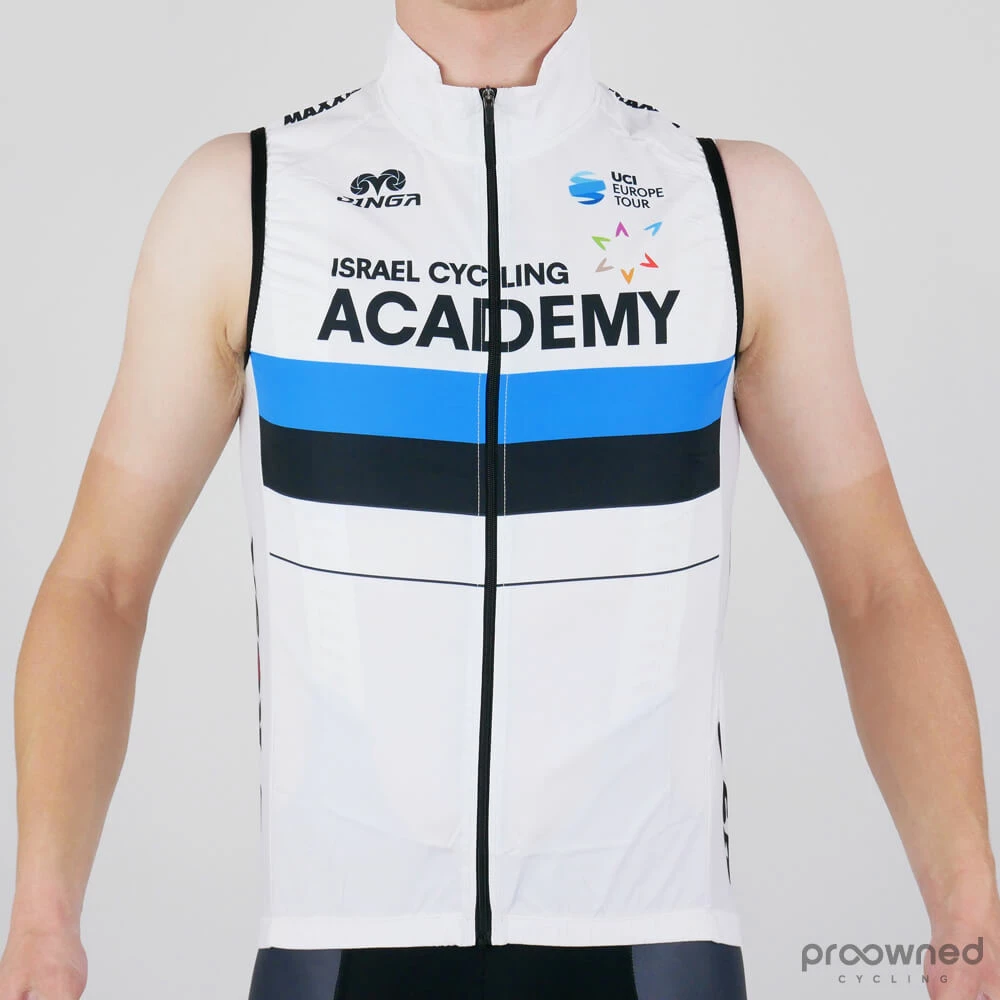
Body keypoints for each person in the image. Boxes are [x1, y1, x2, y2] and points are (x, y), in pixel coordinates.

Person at [1, 0, 998, 997]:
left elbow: (875, 583)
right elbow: (102, 580)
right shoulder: (252, 200)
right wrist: (43, 915)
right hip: (337, 942)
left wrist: (968, 908)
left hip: (655, 941)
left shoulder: (730, 207)